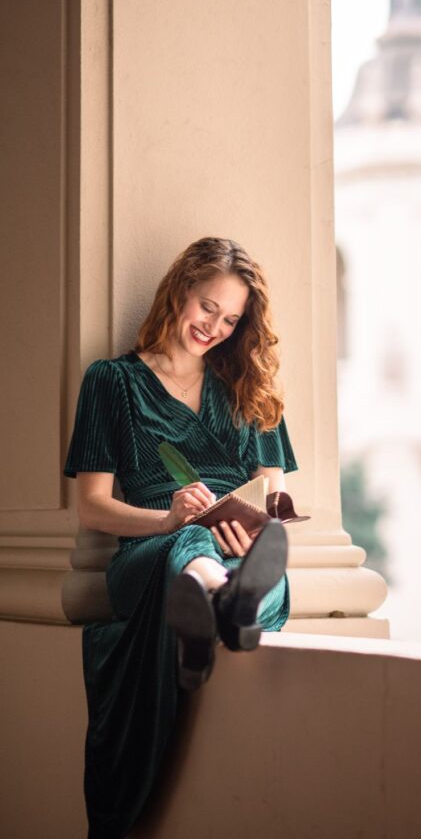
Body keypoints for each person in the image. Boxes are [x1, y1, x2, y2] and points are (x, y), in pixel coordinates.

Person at [63, 236, 299, 839]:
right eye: (206, 307)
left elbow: (271, 494)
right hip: (147, 548)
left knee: (264, 574)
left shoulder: (248, 387)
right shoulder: (111, 381)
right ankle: (214, 590)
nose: (215, 328)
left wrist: (261, 520)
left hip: (233, 548)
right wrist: (168, 520)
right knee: (185, 546)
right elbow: (91, 508)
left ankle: (221, 596)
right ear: (179, 290)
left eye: (230, 319)